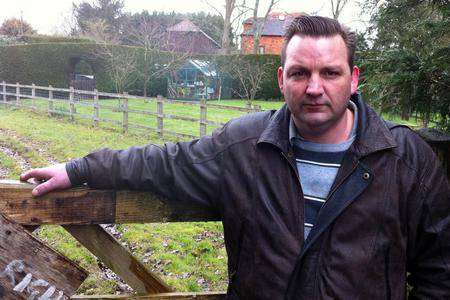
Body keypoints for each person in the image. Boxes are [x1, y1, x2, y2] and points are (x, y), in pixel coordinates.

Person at [20, 16, 450, 299]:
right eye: (300, 73)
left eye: (330, 73)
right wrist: (78, 168)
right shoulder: (244, 147)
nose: (314, 87)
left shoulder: (406, 159)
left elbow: (439, 267)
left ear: (354, 79)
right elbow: (165, 162)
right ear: (282, 79)